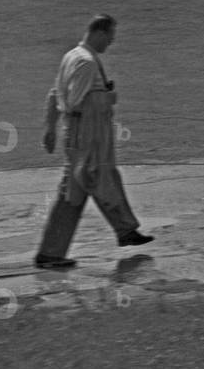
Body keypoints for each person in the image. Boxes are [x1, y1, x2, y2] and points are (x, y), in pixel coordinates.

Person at [36, 14, 153, 269]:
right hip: (86, 133)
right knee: (99, 177)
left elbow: (55, 94)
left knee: (72, 195)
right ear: (99, 32)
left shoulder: (71, 56)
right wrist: (107, 99)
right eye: (110, 37)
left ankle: (50, 253)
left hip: (78, 133)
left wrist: (51, 127)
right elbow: (74, 103)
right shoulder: (87, 63)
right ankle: (125, 230)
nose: (110, 43)